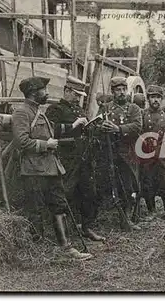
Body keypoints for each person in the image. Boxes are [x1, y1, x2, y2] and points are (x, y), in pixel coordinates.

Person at [11, 76, 92, 260]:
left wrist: (71, 127)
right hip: (34, 170)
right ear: (33, 92)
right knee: (36, 209)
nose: (47, 93)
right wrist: (45, 145)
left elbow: (51, 131)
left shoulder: (39, 111)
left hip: (50, 168)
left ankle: (66, 248)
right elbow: (21, 141)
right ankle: (38, 251)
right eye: (44, 90)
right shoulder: (22, 113)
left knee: (59, 204)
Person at [45, 76, 105, 241]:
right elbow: (49, 131)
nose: (78, 98)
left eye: (80, 96)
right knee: (65, 193)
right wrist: (73, 125)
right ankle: (64, 234)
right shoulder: (55, 109)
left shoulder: (79, 110)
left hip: (83, 158)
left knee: (88, 192)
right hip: (66, 159)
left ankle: (86, 227)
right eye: (76, 95)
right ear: (67, 91)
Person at [97, 76, 143, 231]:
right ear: (113, 92)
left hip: (128, 153)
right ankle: (109, 216)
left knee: (129, 186)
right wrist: (101, 127)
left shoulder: (133, 109)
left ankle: (128, 217)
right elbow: (95, 125)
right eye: (118, 90)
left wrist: (118, 129)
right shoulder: (105, 108)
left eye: (124, 89)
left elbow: (137, 126)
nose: (122, 93)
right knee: (109, 184)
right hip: (109, 153)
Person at [139, 84, 165, 221]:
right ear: (148, 99)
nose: (155, 100)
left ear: (162, 99)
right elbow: (139, 132)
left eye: (158, 97)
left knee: (164, 182)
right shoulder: (142, 115)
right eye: (153, 97)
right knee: (148, 182)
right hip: (147, 154)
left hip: (162, 154)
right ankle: (151, 210)